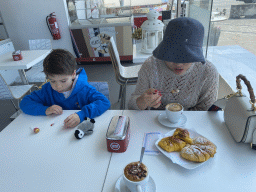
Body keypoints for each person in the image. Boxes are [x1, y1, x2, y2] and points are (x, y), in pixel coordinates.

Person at [128, 17, 219, 111]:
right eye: (172, 55)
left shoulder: (208, 72)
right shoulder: (150, 66)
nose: (179, 64)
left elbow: (206, 110)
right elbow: (131, 105)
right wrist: (142, 101)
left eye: (186, 57)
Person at [20, 49, 111, 128]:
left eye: (63, 81)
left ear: (73, 74)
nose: (58, 86)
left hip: (79, 130)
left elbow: (104, 102)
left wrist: (82, 115)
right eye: (52, 81)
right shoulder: (47, 90)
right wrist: (45, 110)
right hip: (55, 130)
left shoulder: (85, 89)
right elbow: (24, 103)